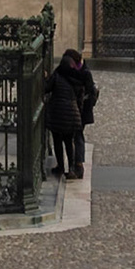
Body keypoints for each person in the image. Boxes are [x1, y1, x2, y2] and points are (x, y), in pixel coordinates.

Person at [44, 48, 98, 181]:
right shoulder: (76, 74)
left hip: (71, 112)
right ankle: (73, 167)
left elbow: (91, 93)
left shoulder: (66, 73)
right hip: (74, 112)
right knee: (70, 140)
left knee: (71, 139)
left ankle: (74, 166)